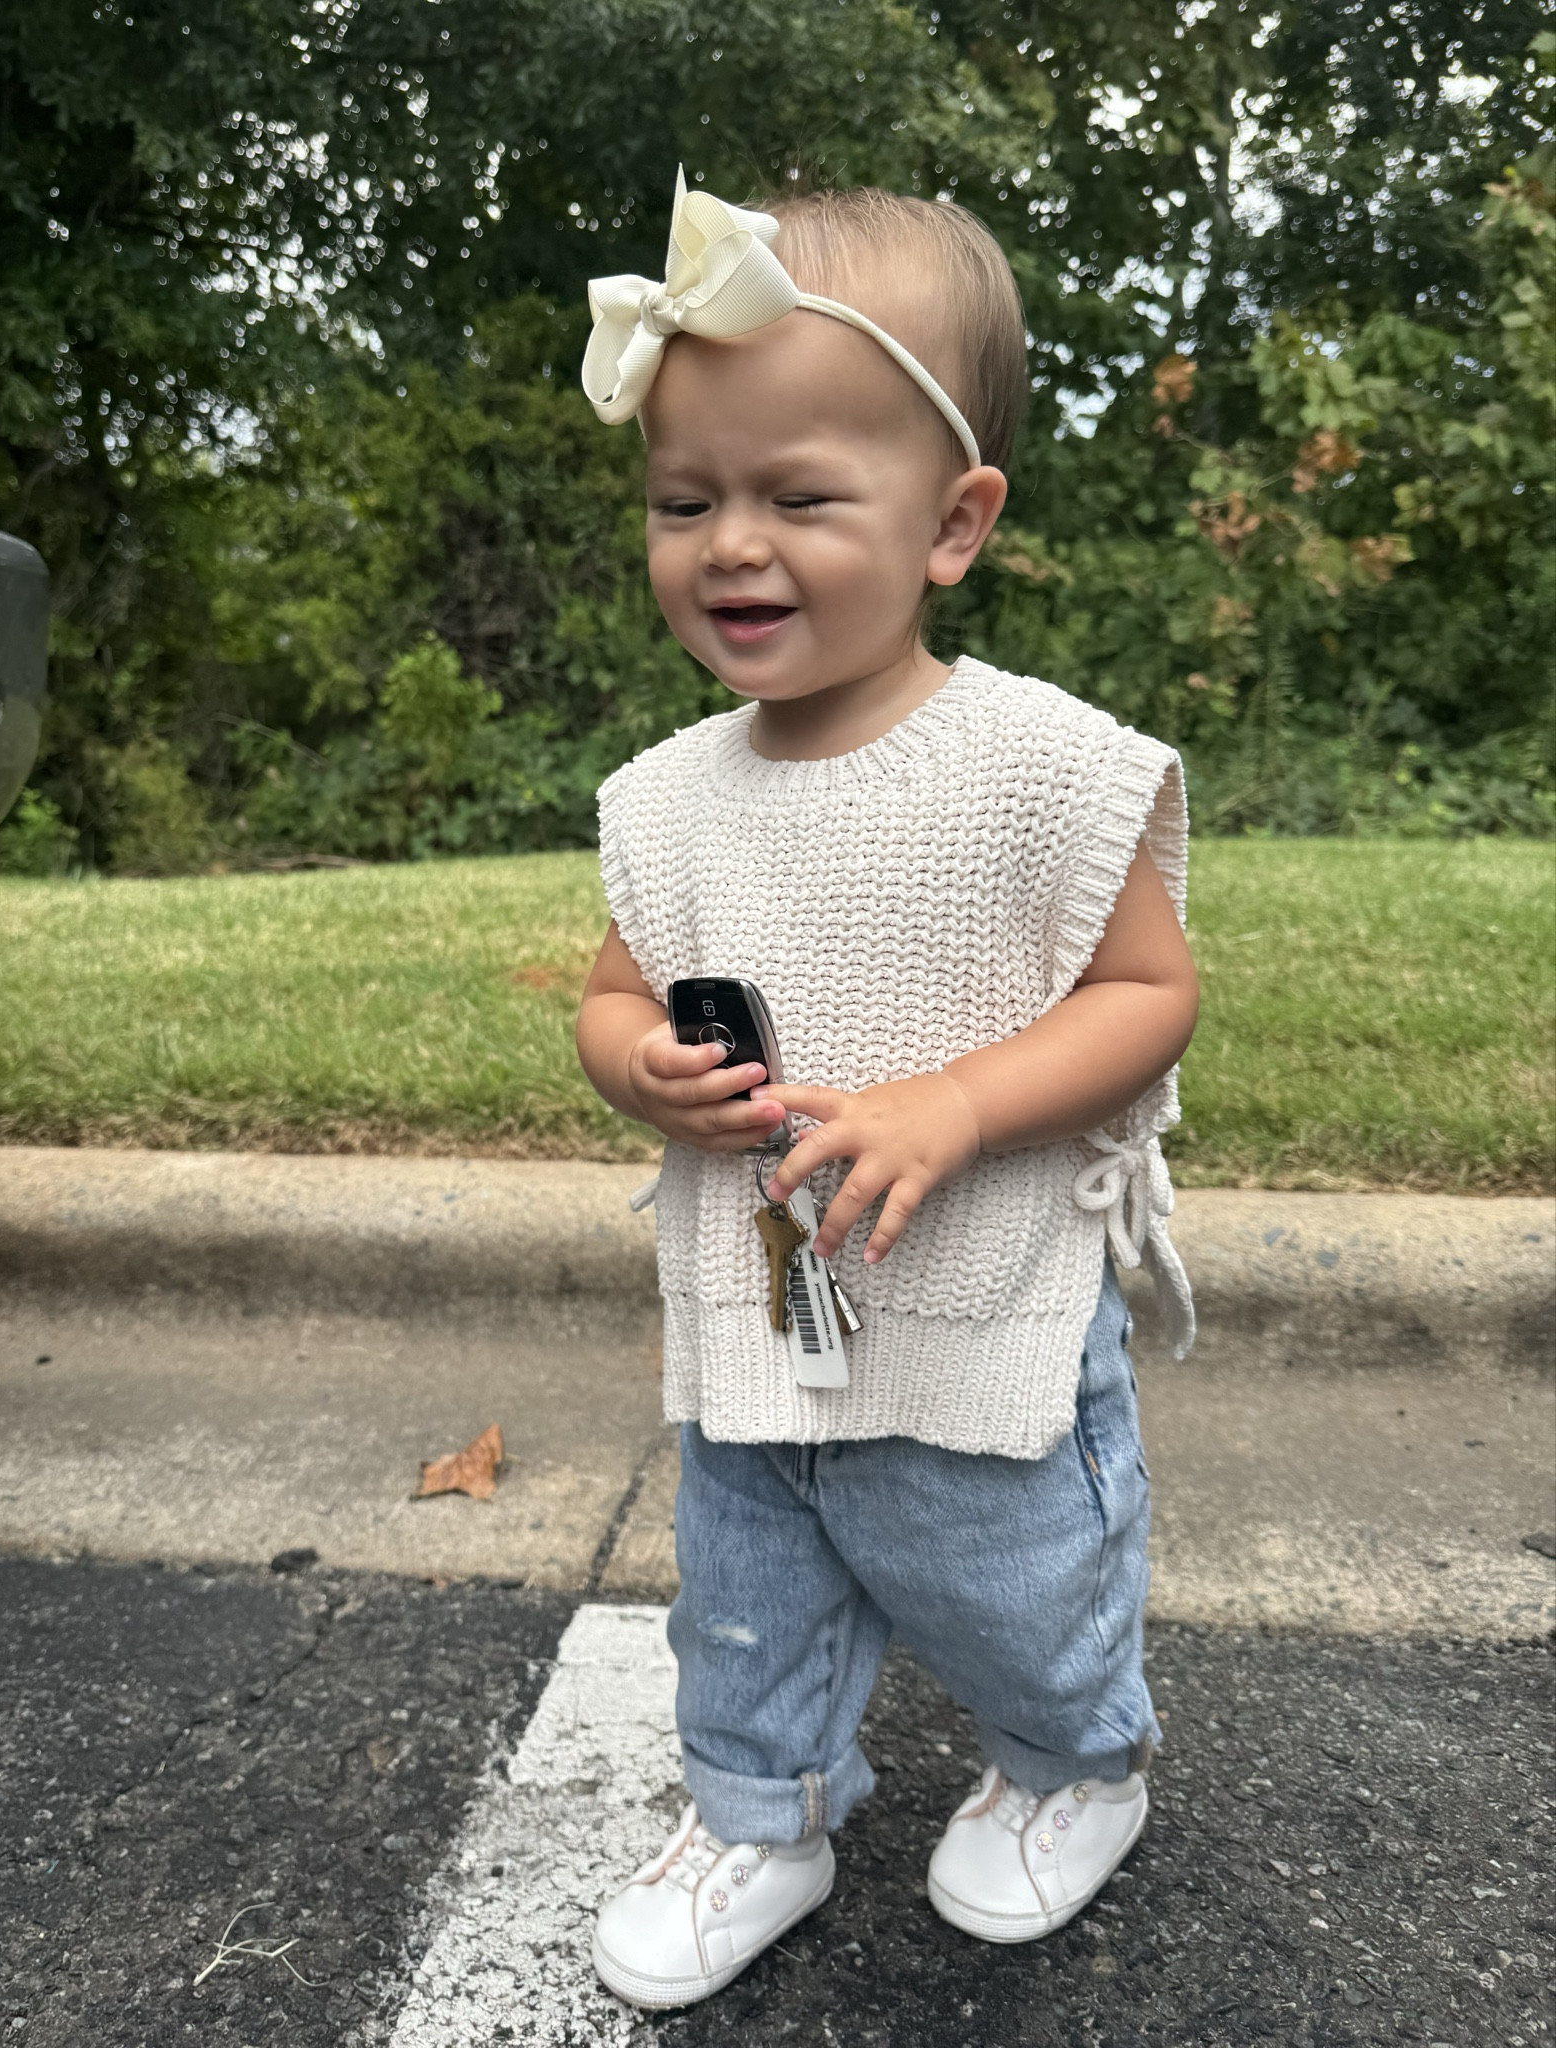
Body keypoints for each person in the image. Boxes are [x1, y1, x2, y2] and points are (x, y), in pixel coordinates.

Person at [573, 168, 1200, 2011]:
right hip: (762, 1305)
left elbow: (1149, 994)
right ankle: (760, 1808)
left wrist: (958, 1102)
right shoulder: (666, 794)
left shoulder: (1038, 766)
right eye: (686, 502)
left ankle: (1076, 1764)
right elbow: (610, 1002)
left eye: (798, 497)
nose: (731, 545)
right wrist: (643, 1070)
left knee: (1017, 1580)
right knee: (745, 1586)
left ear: (954, 520)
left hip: (981, 1303)